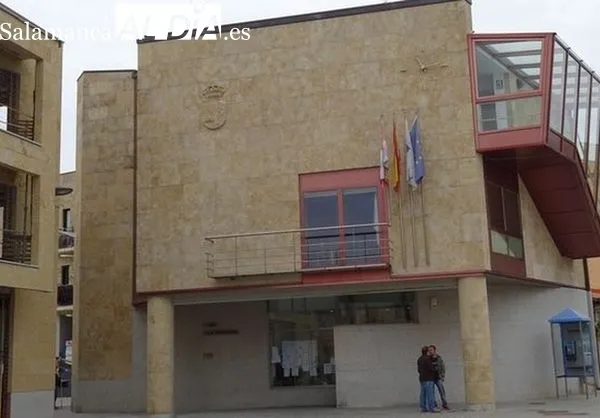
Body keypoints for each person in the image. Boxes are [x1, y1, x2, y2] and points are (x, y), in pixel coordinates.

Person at [417, 345, 438, 413]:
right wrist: (435, 368)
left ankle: (423, 408)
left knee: (423, 394)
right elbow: (432, 368)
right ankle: (432, 408)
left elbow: (418, 370)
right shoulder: (427, 359)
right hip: (429, 378)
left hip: (422, 378)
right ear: (427, 352)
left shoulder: (419, 359)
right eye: (429, 351)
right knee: (430, 394)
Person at [430, 345, 449, 410]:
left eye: (431, 350)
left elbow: (443, 367)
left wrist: (442, 376)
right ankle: (434, 405)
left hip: (438, 377)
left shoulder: (439, 358)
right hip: (431, 378)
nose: (430, 351)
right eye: (429, 350)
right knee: (432, 392)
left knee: (442, 391)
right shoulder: (428, 358)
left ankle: (445, 404)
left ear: (434, 350)